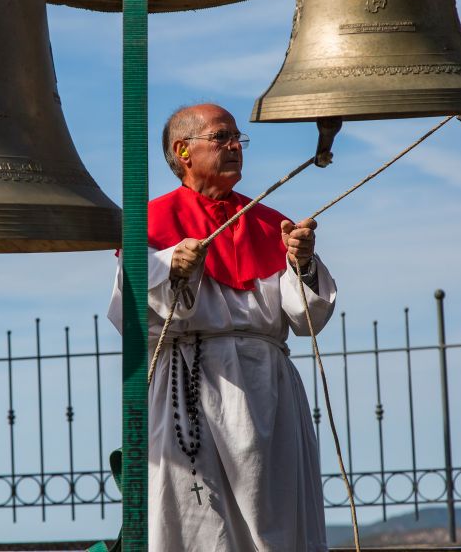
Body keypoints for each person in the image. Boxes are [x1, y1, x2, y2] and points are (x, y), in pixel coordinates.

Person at [108, 103, 336, 551]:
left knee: (275, 521)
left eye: (237, 138)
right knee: (196, 522)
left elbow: (306, 316)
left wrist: (302, 262)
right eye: (221, 137)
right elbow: (128, 313)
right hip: (188, 387)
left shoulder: (271, 223)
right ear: (183, 151)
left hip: (266, 391)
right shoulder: (148, 225)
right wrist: (170, 266)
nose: (235, 146)